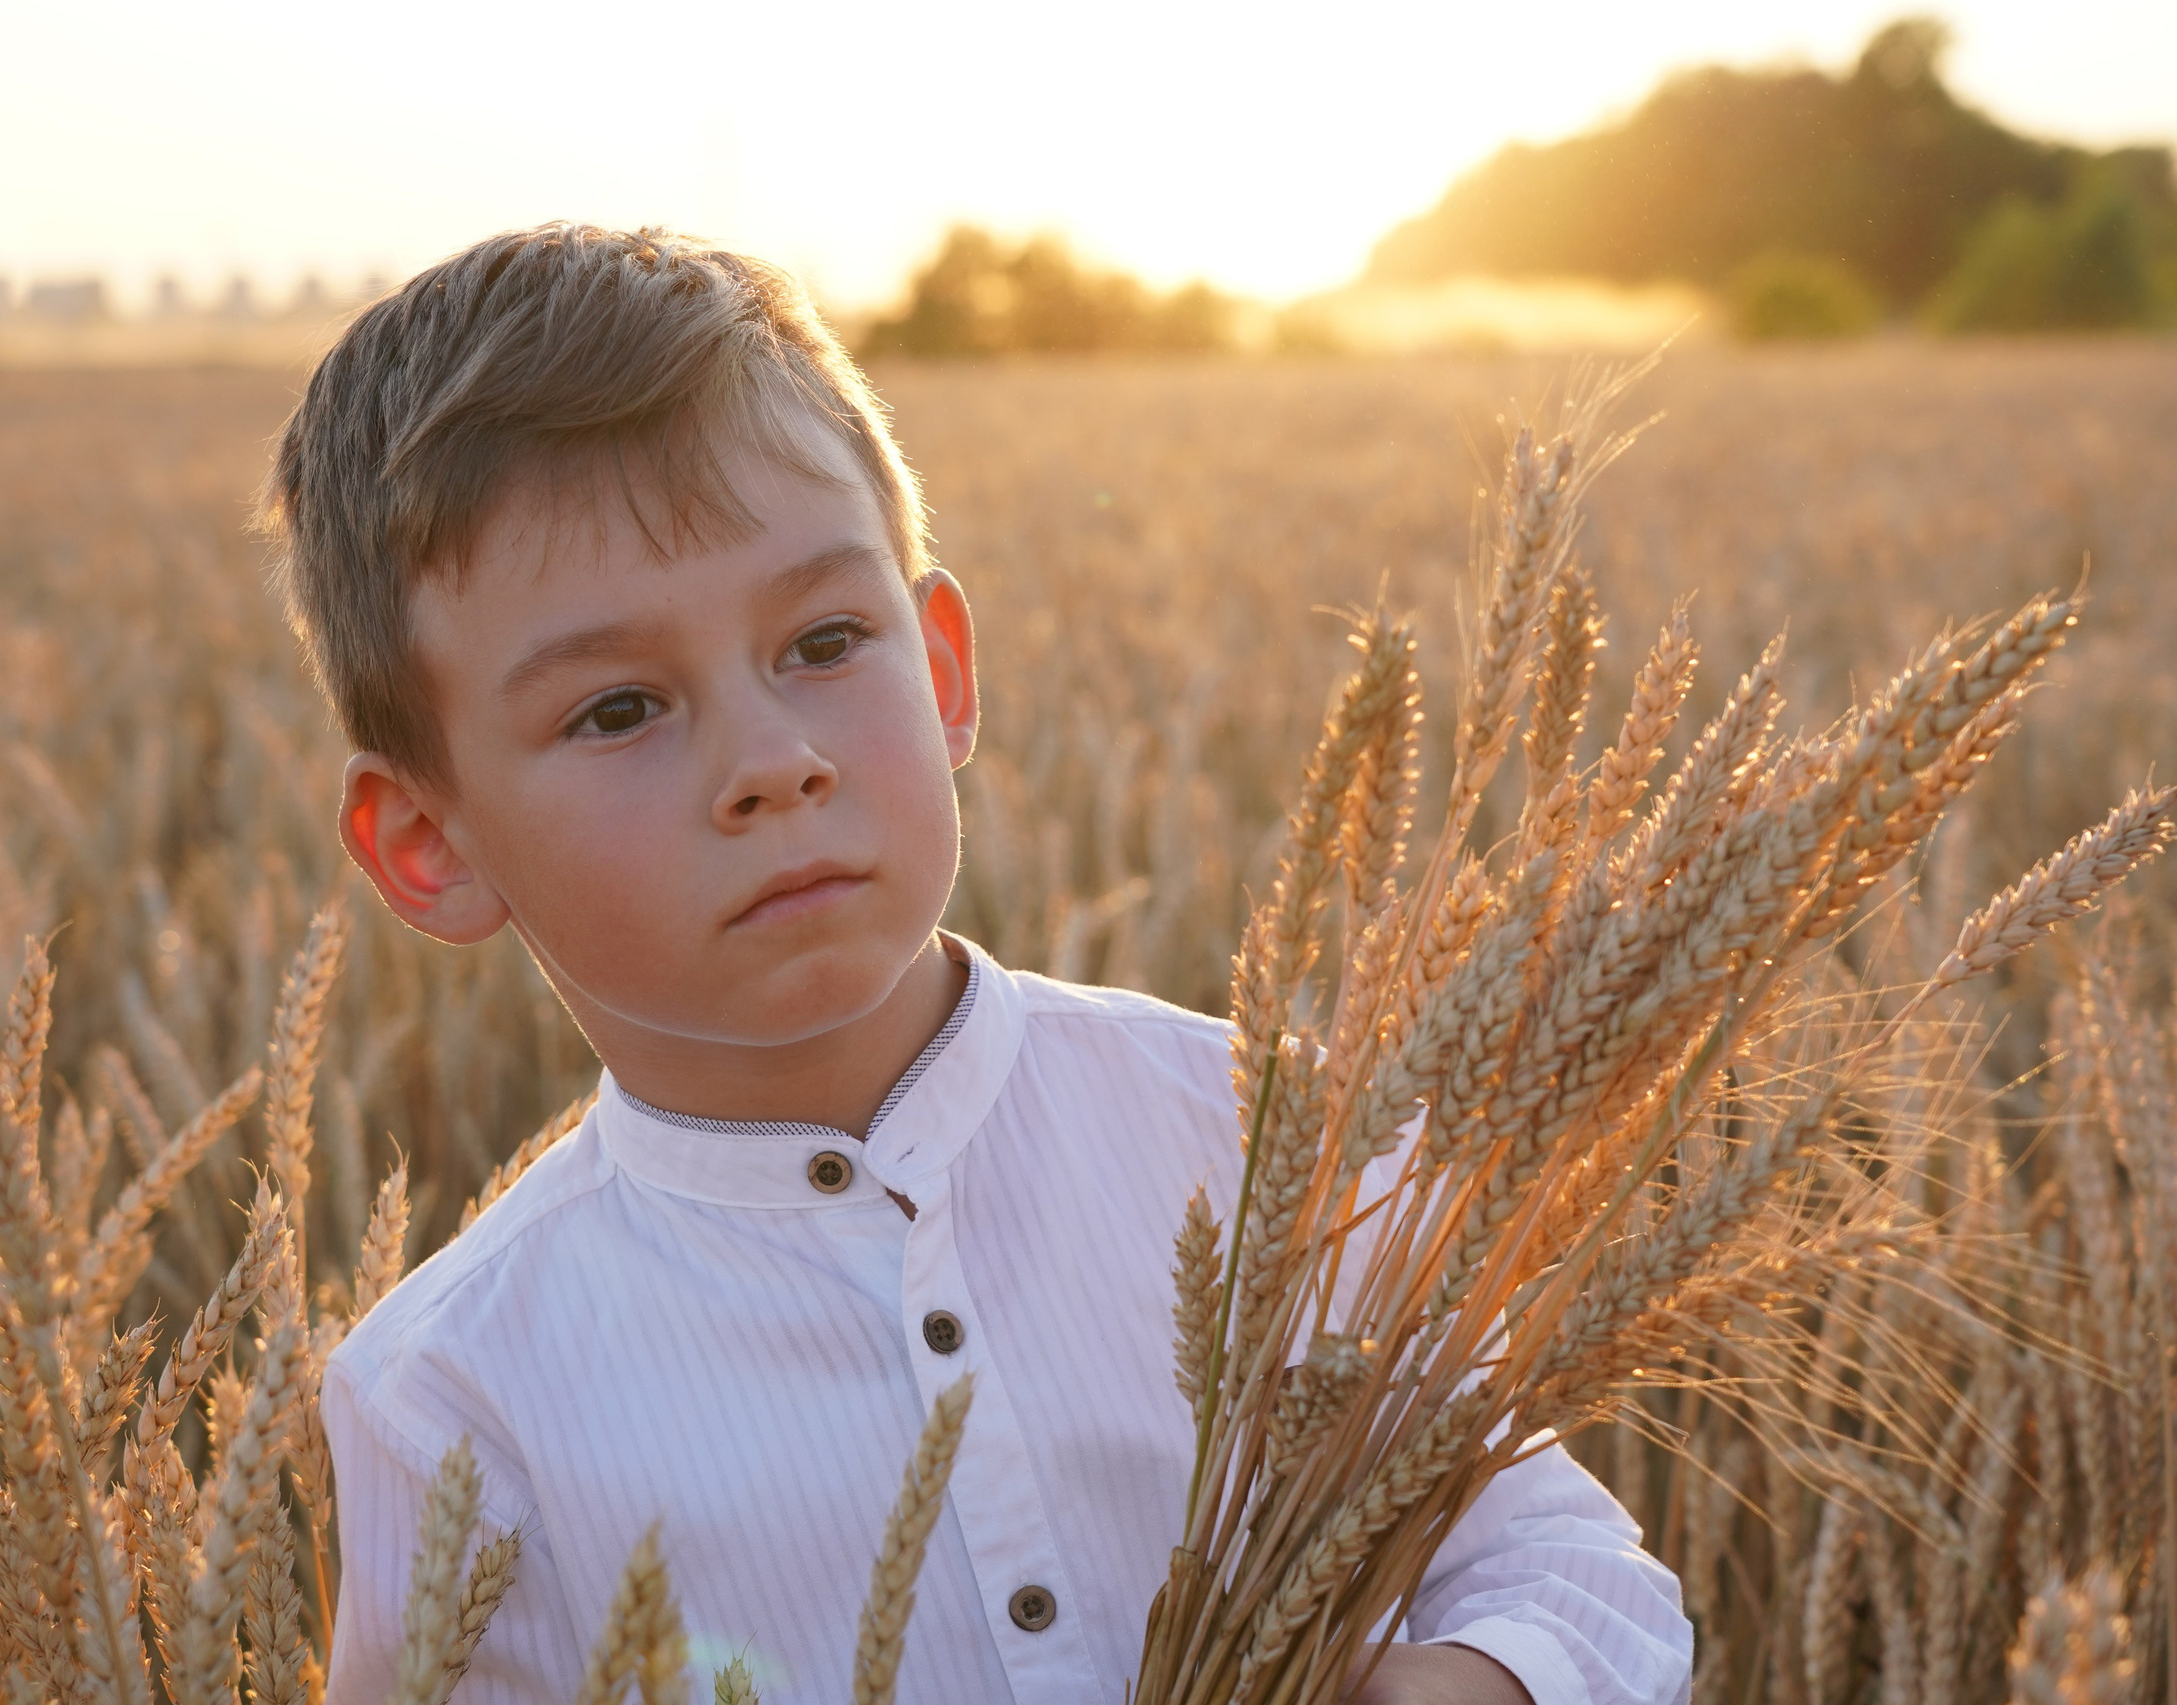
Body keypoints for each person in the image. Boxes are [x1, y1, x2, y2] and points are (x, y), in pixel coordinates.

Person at [264, 222, 1691, 1705]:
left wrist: (1448, 1686)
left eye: (823, 640)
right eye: (620, 710)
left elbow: (1568, 1568)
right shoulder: (452, 1401)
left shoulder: (1272, 1141)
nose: (773, 762)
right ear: (429, 843)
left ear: (943, 670)